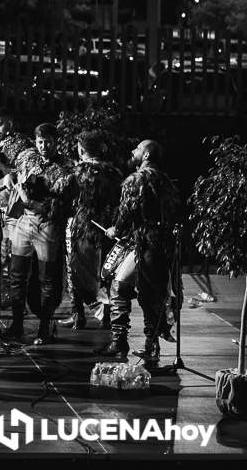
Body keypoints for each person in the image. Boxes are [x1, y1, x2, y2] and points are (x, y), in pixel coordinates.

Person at [100, 140, 180, 363]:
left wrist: (116, 229)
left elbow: (127, 213)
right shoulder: (166, 181)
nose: (132, 151)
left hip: (145, 242)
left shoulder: (136, 180)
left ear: (145, 155)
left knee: (121, 286)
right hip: (162, 244)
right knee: (149, 294)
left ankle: (124, 342)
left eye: (137, 149)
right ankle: (147, 345)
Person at [3, 123, 72, 345]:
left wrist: (28, 200)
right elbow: (14, 173)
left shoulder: (66, 167)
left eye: (48, 141)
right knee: (17, 275)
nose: (44, 146)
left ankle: (44, 326)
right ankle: (16, 324)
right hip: (24, 222)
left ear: (56, 141)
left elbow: (60, 207)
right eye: (40, 141)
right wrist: (9, 178)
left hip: (47, 224)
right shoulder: (28, 157)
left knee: (48, 278)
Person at [58, 130, 124, 330]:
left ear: (80, 149)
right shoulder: (115, 173)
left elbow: (62, 195)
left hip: (81, 227)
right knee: (105, 272)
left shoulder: (75, 172)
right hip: (107, 229)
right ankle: (106, 314)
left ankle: (78, 314)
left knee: (75, 269)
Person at [0, 108, 35, 301]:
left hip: (14, 208)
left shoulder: (24, 145)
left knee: (12, 253)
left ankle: (15, 299)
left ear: (10, 123)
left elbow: (24, 175)